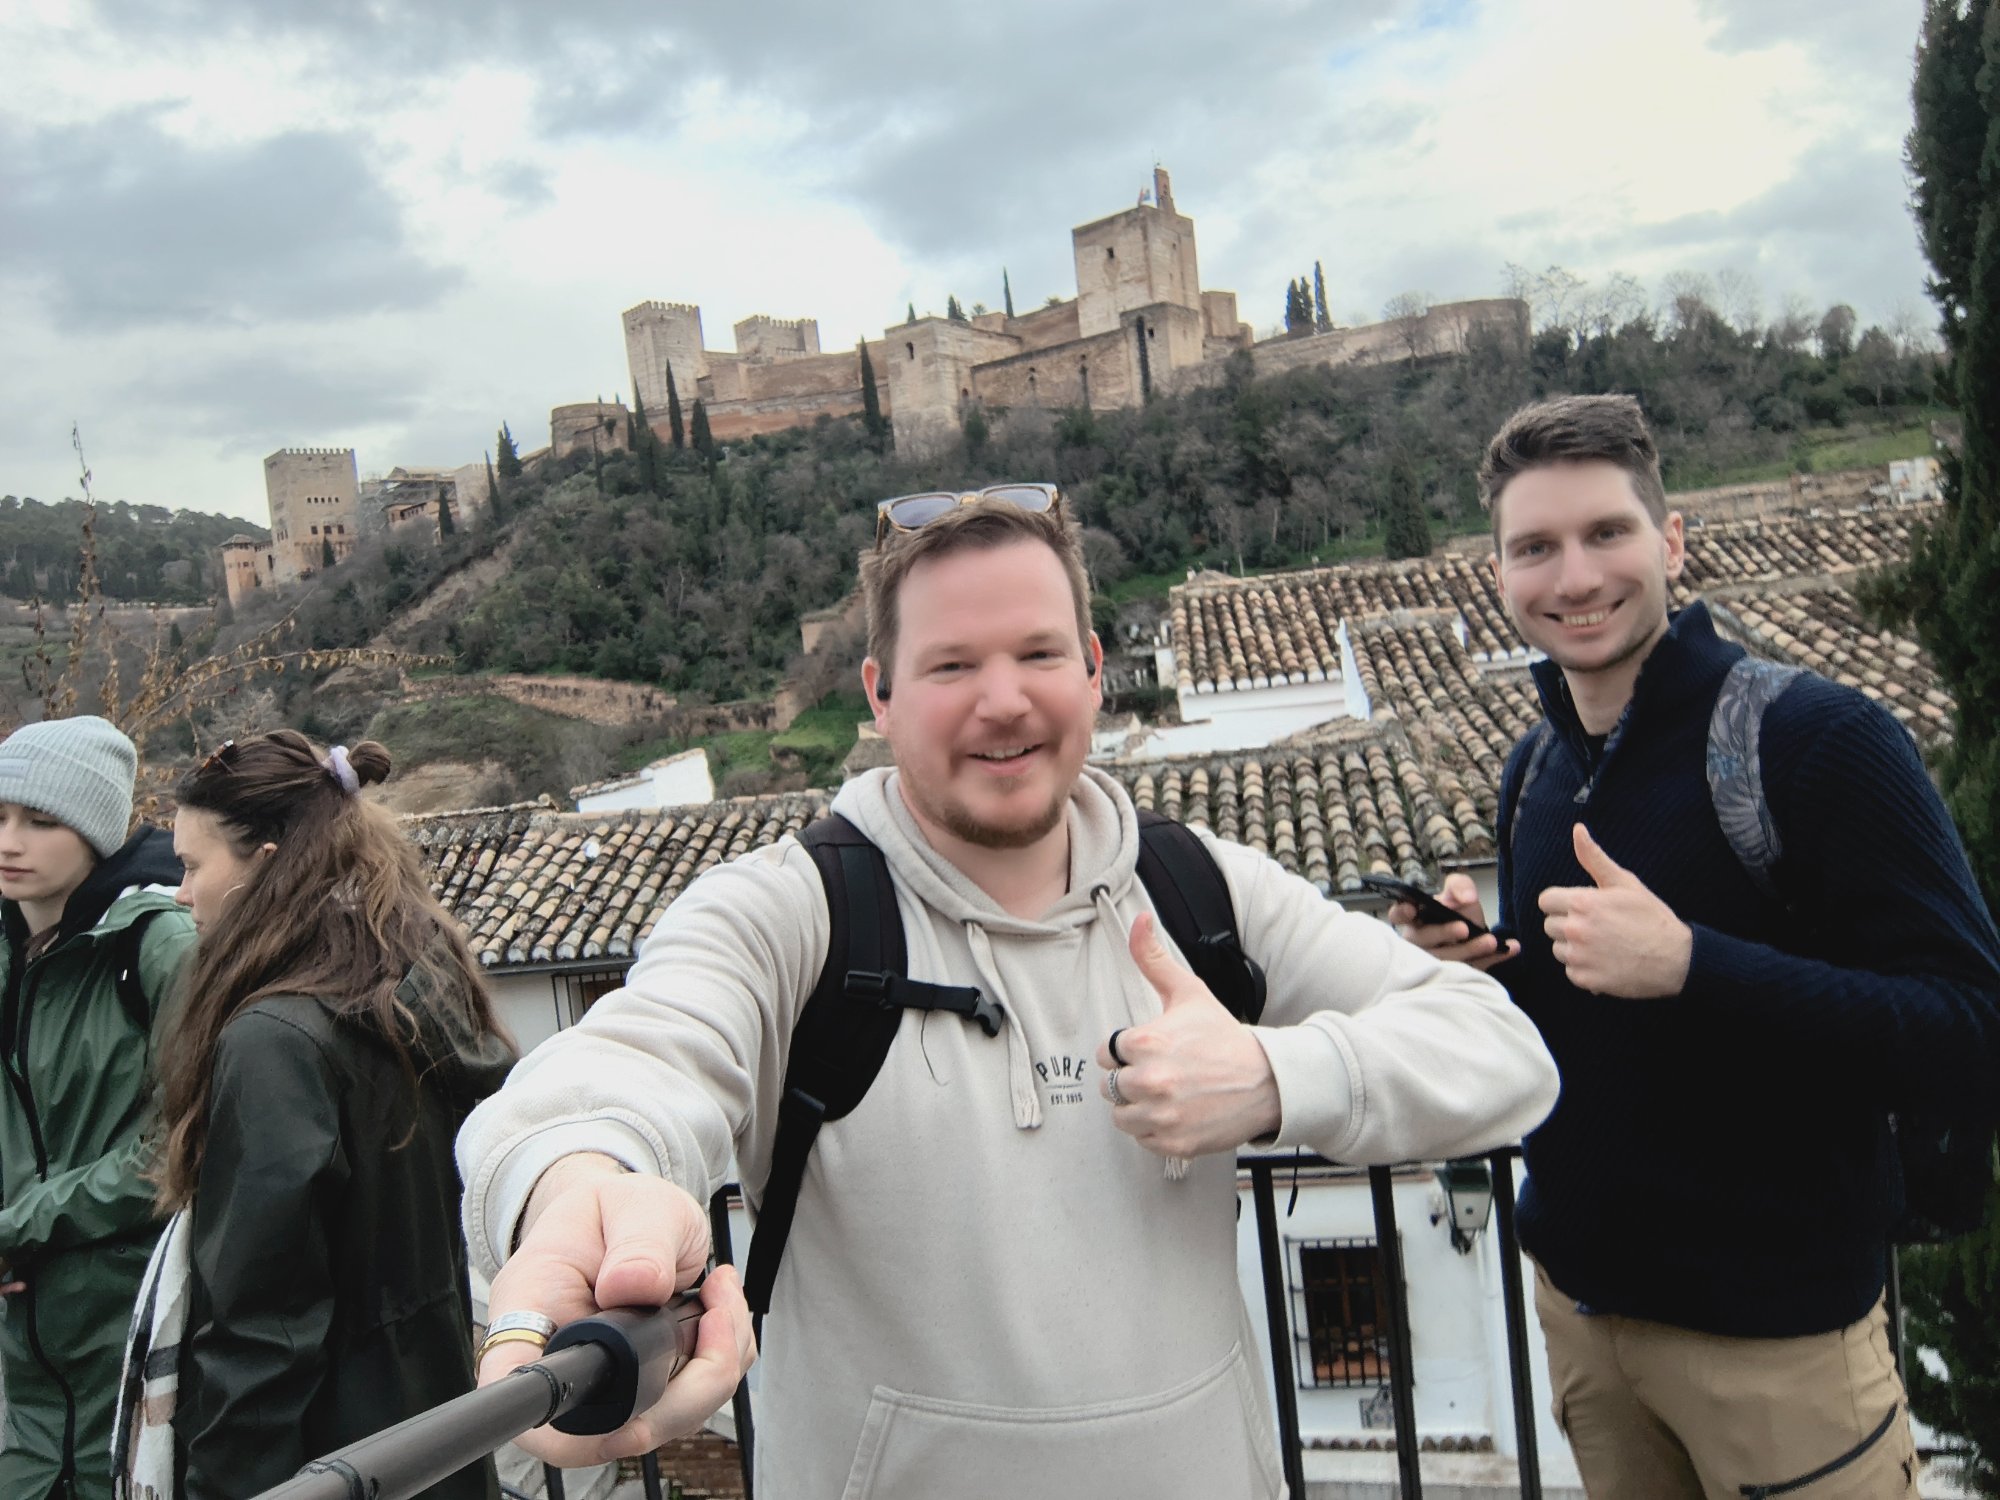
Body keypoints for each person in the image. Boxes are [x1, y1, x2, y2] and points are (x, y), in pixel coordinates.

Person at [458, 487, 1561, 1498]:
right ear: (879, 696)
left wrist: (1274, 1074)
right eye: (949, 666)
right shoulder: (790, 913)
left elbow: (1499, 1051)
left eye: (1036, 652)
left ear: (1091, 667)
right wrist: (575, 1182)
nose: (1002, 701)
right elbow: (637, 1055)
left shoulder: (1198, 891)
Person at [1394, 394, 2000, 1499]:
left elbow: (1967, 1026)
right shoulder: (1532, 772)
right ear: (1497, 574)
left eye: (1605, 534)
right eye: (1533, 547)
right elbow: (1579, 1026)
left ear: (1669, 541)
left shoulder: (1816, 742)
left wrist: (1690, 963)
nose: (1572, 577)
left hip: (1778, 1350)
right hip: (1583, 1327)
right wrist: (1481, 968)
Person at [132, 732, 516, 1500]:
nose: (180, 893)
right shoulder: (415, 990)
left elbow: (262, 1327)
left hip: (323, 1461)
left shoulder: (275, 1043)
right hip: (432, 1438)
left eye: (191, 866)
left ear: (266, 863)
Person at [0, 716, 196, 1500]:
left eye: (42, 821)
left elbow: (184, 1142)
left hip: (131, 1324)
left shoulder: (157, 945)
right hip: (26, 1349)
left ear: (97, 831)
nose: (11, 839)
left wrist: (19, 1224)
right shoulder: (9, 948)